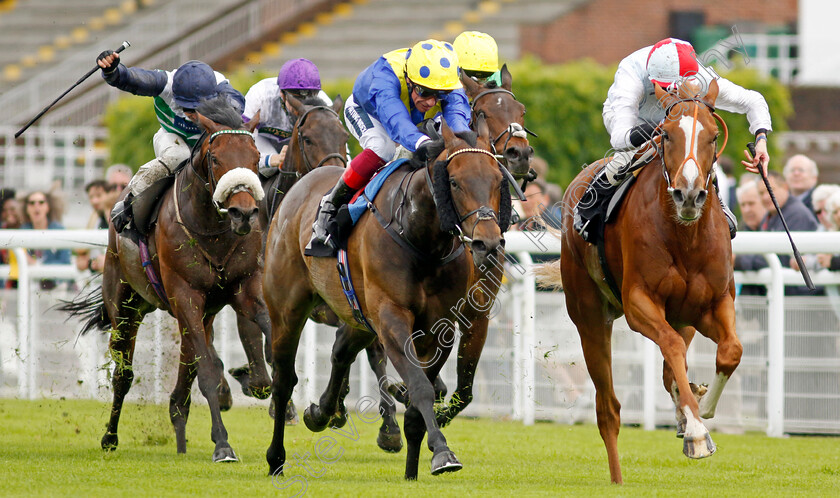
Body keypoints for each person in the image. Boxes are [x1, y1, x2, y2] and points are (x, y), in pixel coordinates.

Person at [574, 37, 773, 242]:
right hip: (635, 120)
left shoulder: (699, 77)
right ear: (653, 79)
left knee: (695, 145)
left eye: (680, 88)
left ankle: (717, 200)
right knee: (627, 158)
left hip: (679, 119)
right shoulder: (630, 74)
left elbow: (753, 101)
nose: (674, 94)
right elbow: (619, 138)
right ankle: (590, 208)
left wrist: (761, 140)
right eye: (669, 89)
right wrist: (660, 129)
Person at [306, 39, 471, 255]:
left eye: (439, 95)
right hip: (369, 111)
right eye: (424, 92)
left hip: (414, 118)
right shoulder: (385, 76)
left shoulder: (449, 80)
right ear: (410, 81)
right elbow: (396, 121)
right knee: (383, 148)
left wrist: (461, 141)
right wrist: (421, 142)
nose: (431, 101)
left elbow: (458, 120)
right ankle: (330, 206)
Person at [95, 51, 246, 233]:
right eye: (187, 107)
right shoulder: (165, 83)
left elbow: (238, 104)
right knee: (179, 155)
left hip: (206, 142)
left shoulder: (221, 87)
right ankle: (130, 199)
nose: (192, 115)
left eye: (198, 108)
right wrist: (113, 72)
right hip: (170, 138)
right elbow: (131, 79)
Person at [735, 172, 819, 296]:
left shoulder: (796, 214)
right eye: (761, 193)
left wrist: (738, 260)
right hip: (781, 294)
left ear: (785, 187)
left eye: (769, 190)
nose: (765, 197)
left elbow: (781, 258)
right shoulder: (772, 214)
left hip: (799, 298)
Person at [243, 58, 334, 170]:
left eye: (308, 100)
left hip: (298, 145)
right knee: (270, 170)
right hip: (262, 142)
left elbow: (336, 147)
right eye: (296, 100)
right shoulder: (259, 95)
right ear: (282, 93)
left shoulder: (324, 103)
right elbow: (241, 142)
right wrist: (269, 159)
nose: (301, 106)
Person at [20, 190, 72, 290]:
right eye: (31, 203)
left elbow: (65, 262)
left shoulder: (59, 230)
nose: (36, 206)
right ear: (27, 209)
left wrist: (36, 265)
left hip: (58, 286)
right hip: (30, 286)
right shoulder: (23, 230)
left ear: (47, 207)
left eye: (41, 202)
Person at [75, 180, 114, 273]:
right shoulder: (92, 219)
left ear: (109, 195)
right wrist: (89, 263)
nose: (94, 201)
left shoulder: (117, 218)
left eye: (99, 195)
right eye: (91, 197)